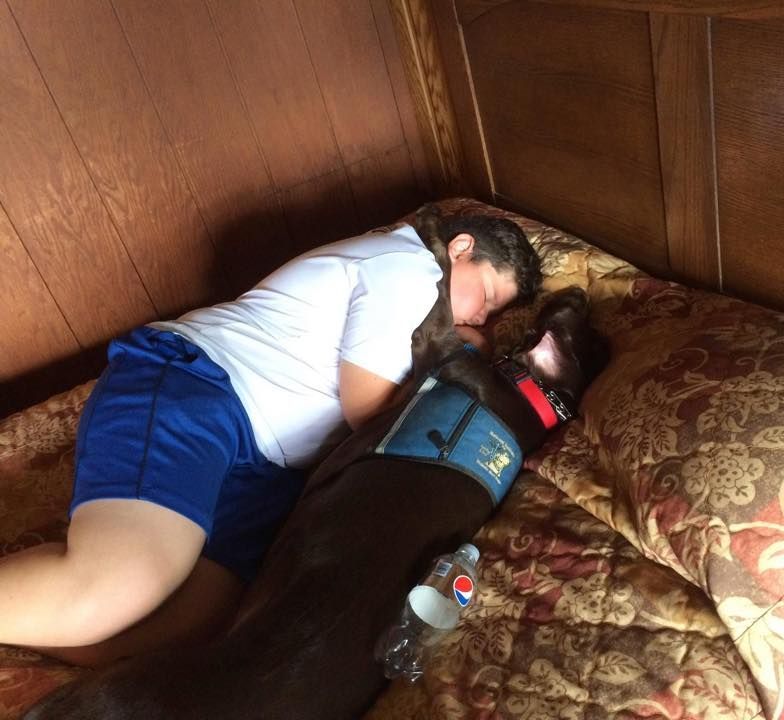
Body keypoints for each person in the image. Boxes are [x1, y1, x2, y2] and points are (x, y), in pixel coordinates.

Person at [0, 209, 541, 667]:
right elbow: (367, 409)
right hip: (202, 386)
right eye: (486, 295)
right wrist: (461, 351)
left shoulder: (418, 295)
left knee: (193, 621)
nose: (481, 317)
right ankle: (79, 593)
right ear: (460, 248)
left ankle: (50, 618)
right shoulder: (409, 268)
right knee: (117, 585)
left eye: (492, 315)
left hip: (266, 462)